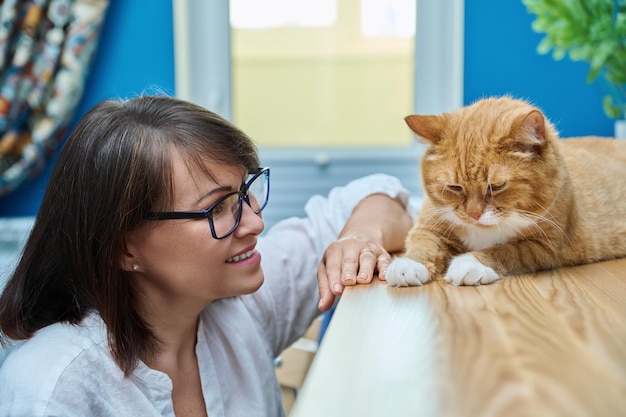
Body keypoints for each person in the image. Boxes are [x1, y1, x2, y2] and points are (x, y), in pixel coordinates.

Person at [0, 95, 413, 417]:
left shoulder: (241, 302)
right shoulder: (52, 386)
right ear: (124, 248)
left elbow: (380, 196)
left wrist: (358, 237)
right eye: (217, 208)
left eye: (245, 193)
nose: (254, 223)